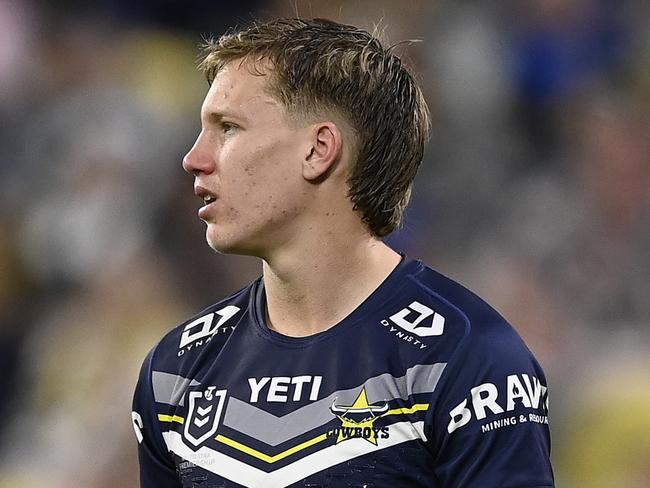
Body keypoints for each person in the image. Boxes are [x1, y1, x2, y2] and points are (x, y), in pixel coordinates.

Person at [131, 18, 554, 487]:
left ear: (319, 149)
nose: (194, 158)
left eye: (228, 128)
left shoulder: (467, 360)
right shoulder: (176, 373)